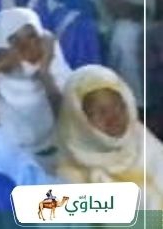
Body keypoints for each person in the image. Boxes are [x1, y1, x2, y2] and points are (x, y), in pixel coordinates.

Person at [0, 8, 71, 164]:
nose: (26, 47)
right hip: (10, 171)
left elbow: (73, 132)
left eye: (32, 36)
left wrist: (45, 74)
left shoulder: (65, 80)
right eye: (13, 41)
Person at [56, 65, 163, 209]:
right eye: (100, 112)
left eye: (118, 106)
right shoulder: (70, 175)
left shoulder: (142, 139)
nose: (113, 116)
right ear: (78, 118)